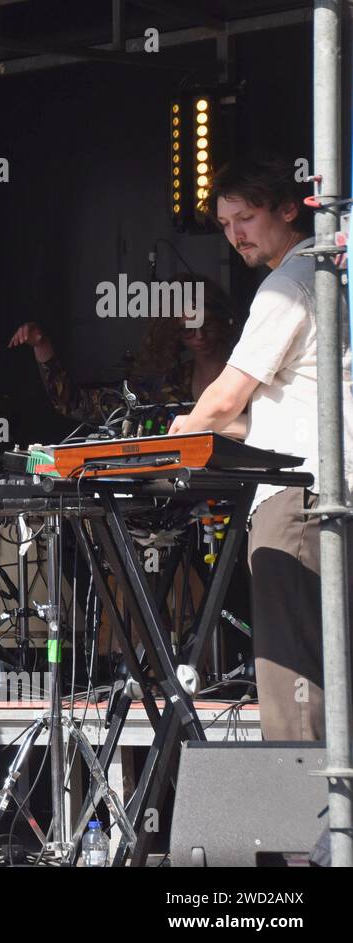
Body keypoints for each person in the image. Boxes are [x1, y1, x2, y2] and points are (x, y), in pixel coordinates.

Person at [169, 154, 353, 740]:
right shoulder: (331, 275)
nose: (236, 234)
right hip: (329, 485)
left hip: (295, 502)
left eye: (246, 217)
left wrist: (181, 433)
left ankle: (306, 825)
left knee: (292, 672)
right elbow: (281, 416)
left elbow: (224, 401)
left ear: (287, 209)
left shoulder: (287, 284)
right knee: (328, 661)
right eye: (225, 224)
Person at [8, 274, 240, 430]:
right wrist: (42, 345)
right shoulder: (167, 385)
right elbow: (76, 403)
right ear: (174, 333)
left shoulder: (247, 369)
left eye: (206, 325)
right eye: (188, 330)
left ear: (221, 319)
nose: (199, 336)